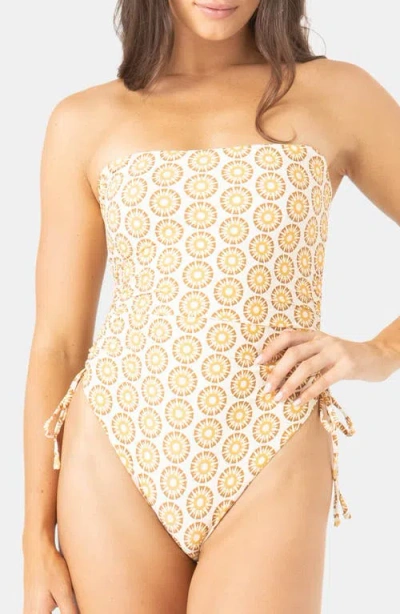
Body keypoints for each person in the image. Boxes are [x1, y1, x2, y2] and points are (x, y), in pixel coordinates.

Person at [22, 1, 400, 612]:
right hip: (115, 445)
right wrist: (35, 536)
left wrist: (379, 353)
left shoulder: (337, 94)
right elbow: (59, 342)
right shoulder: (83, 120)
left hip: (271, 436)